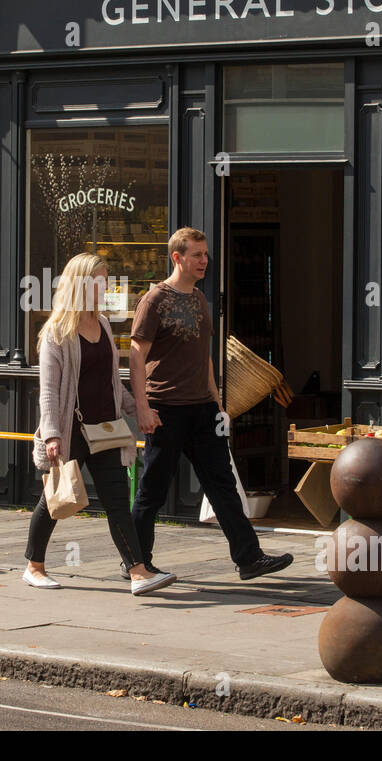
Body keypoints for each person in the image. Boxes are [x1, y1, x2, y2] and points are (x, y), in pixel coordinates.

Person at [129, 228, 294, 581]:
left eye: (205, 254)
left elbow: (204, 357)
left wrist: (218, 405)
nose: (204, 261)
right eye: (197, 255)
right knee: (153, 490)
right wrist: (142, 408)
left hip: (202, 409)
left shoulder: (200, 299)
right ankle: (136, 563)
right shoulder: (155, 300)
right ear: (178, 257)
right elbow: (136, 356)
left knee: (223, 485)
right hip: (165, 408)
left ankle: (249, 558)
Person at [29, 253, 177, 596]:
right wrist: (52, 435)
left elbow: (110, 381)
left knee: (116, 501)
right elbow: (48, 391)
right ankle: (34, 566)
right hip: (70, 431)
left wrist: (138, 408)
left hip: (105, 429)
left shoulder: (104, 324)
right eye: (99, 280)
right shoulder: (57, 332)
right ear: (80, 283)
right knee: (55, 501)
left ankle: (138, 572)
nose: (105, 286)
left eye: (106, 280)